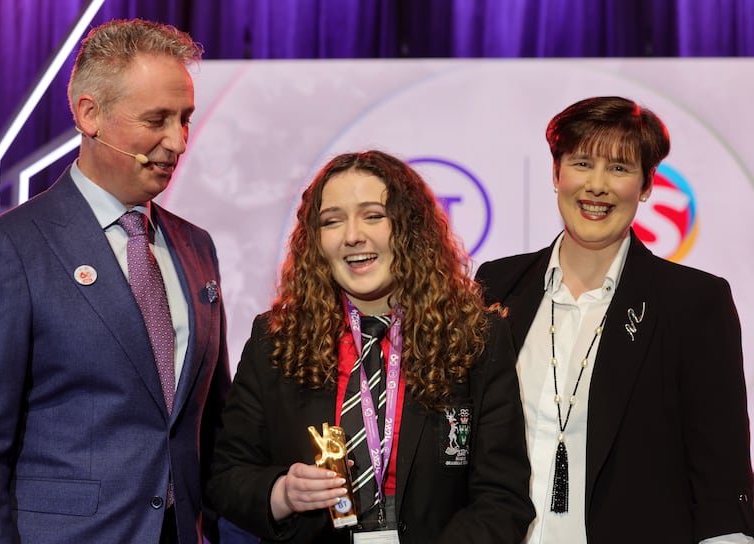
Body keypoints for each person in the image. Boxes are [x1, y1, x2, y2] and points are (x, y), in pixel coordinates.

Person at [0, 19, 231, 543]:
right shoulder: (8, 249)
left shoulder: (196, 246)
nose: (177, 141)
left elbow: (216, 426)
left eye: (184, 119)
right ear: (90, 114)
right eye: (156, 119)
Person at [207, 150, 535, 543]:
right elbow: (226, 476)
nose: (352, 235)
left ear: (410, 228)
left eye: (373, 215)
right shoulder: (276, 340)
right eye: (332, 221)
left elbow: (502, 499)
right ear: (316, 241)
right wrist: (282, 493)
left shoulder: (475, 337)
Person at [475, 96, 754, 543]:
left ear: (646, 186)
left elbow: (720, 475)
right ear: (556, 173)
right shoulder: (497, 284)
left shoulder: (694, 302)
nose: (597, 186)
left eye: (620, 169)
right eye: (582, 163)